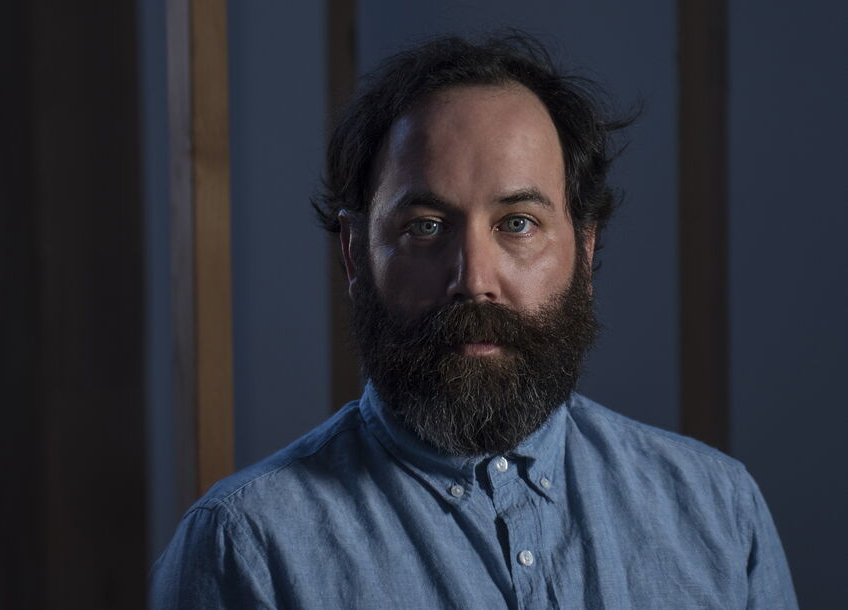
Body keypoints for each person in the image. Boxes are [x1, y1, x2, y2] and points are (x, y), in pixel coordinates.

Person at [150, 33, 797, 609]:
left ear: (587, 249)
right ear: (354, 255)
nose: (473, 279)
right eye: (425, 227)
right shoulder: (247, 547)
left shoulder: (717, 509)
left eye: (517, 224)